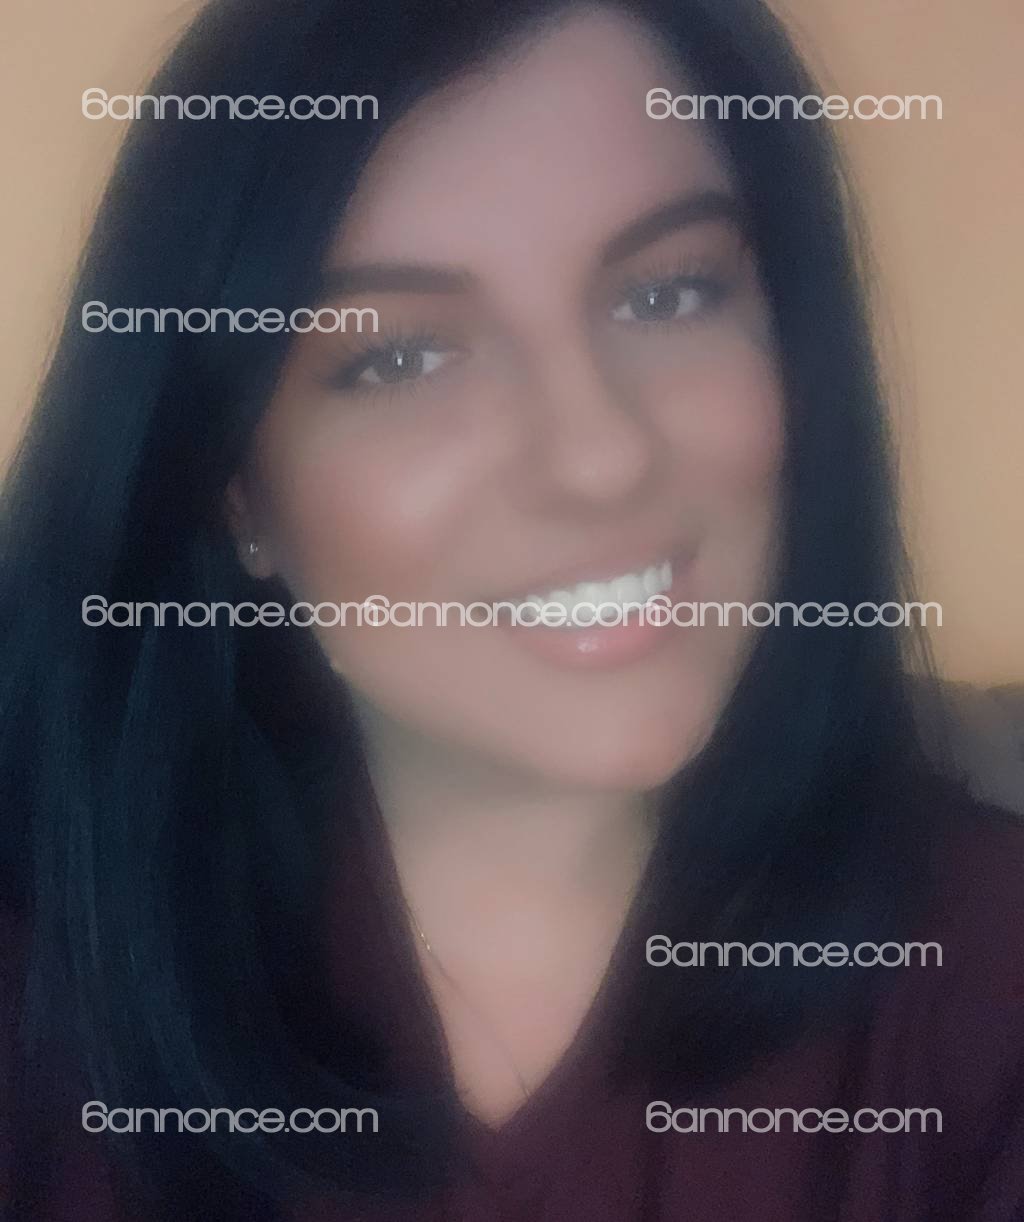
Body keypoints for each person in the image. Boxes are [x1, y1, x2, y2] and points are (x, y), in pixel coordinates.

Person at [2, 1, 1022, 1218]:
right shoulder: (41, 994)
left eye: (669, 294)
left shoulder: (986, 973)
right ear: (237, 489)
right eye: (400, 357)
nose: (598, 457)